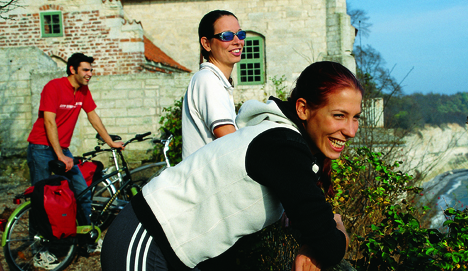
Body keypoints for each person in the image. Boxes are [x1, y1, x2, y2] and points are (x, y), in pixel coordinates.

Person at [101, 61, 360, 271]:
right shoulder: (284, 147)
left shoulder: (285, 140)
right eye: (339, 115)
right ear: (303, 109)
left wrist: (314, 240)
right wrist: (339, 226)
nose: (350, 130)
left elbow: (308, 219)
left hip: (170, 246)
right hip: (146, 239)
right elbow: (329, 244)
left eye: (355, 117)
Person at [26, 52, 123, 266]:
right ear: (72, 69)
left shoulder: (83, 91)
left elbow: (93, 116)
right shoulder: (53, 87)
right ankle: (39, 250)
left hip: (62, 148)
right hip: (41, 147)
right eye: (86, 70)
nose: (90, 74)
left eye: (90, 70)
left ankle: (85, 240)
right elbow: (49, 122)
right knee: (40, 200)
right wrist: (60, 154)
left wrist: (110, 142)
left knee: (82, 192)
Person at [182, 10, 245, 158]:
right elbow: (230, 140)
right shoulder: (207, 79)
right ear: (206, 43)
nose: (237, 41)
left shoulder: (216, 80)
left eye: (240, 34)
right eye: (227, 36)